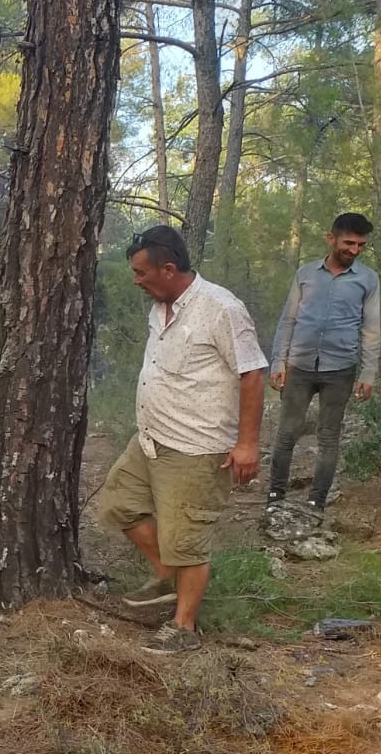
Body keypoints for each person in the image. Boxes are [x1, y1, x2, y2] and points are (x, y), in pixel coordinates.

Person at [98, 225, 266, 655]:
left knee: (187, 543)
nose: (136, 280)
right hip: (151, 439)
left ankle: (184, 627)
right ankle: (166, 576)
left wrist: (247, 444)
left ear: (168, 269)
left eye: (141, 272)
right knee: (118, 502)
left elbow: (252, 373)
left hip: (196, 448)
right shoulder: (161, 306)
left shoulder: (221, 308)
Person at [267, 212, 379, 512]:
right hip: (299, 366)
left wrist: (368, 372)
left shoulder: (368, 279)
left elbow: (370, 329)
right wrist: (278, 361)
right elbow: (287, 320)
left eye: (361, 245)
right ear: (331, 239)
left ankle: (317, 501)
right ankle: (275, 497)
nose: (354, 251)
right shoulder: (305, 274)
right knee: (287, 433)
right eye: (349, 243)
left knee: (328, 437)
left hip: (340, 369)